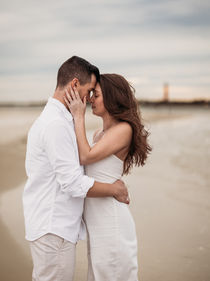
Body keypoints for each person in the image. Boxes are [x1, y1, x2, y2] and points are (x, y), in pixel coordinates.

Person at [22, 57, 129, 281]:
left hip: (53, 226)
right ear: (73, 85)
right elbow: (72, 183)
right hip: (54, 227)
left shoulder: (60, 120)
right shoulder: (56, 124)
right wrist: (114, 189)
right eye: (89, 90)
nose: (89, 99)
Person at [64, 73, 152, 281]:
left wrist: (79, 115)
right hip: (97, 224)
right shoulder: (98, 135)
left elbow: (85, 156)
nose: (91, 99)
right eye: (92, 93)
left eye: (97, 94)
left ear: (113, 98)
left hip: (111, 222)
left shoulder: (124, 130)